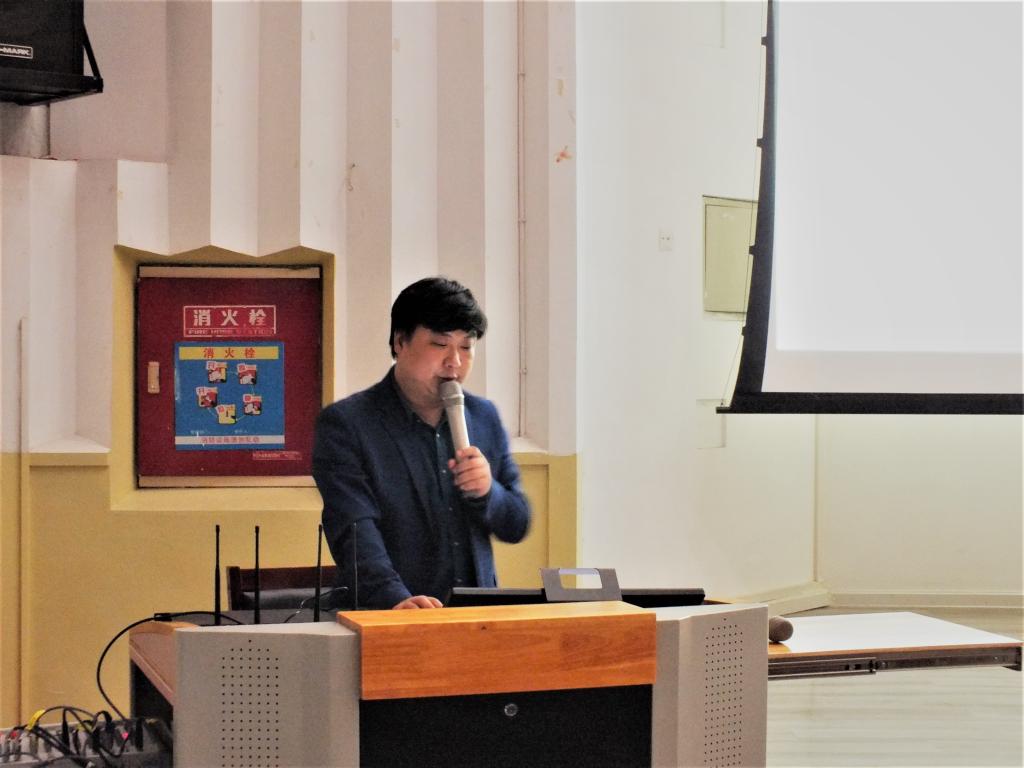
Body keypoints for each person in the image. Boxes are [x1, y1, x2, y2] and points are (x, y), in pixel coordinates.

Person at [313, 277, 531, 609]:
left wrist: (489, 492)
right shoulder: (348, 424)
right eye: (440, 344)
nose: (455, 361)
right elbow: (354, 529)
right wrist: (396, 599)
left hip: (475, 619)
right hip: (388, 617)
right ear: (400, 342)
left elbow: (517, 524)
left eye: (466, 347)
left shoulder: (483, 417)